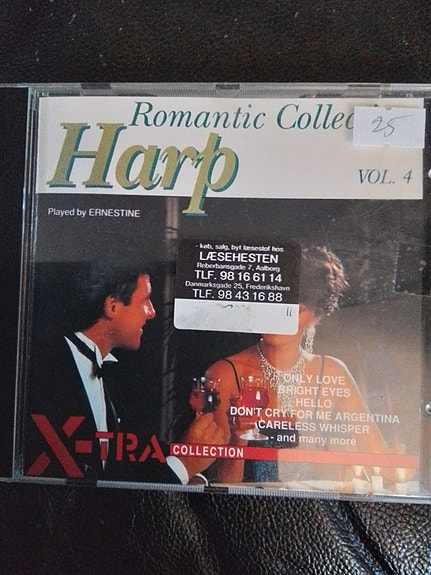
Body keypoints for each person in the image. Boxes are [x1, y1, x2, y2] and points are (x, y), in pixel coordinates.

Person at [205, 246, 408, 484]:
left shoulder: (332, 373)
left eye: (295, 311)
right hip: (246, 506)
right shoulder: (226, 373)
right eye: (272, 304)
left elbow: (382, 465)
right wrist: (239, 439)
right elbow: (221, 485)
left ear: (316, 317)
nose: (277, 318)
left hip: (316, 504)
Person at [25, 261, 224, 484]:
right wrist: (184, 465)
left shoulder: (107, 372)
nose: (152, 312)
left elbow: (119, 466)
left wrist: (189, 472)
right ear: (112, 307)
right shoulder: (46, 370)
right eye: (145, 301)